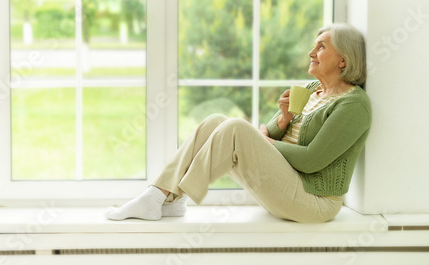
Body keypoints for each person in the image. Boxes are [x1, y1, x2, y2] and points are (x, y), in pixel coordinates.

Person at [105, 23, 371, 223]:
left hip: (314, 201)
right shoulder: (313, 89)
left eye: (321, 46)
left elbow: (312, 160)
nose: (311, 52)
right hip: (286, 183)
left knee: (235, 127)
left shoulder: (353, 105)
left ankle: (156, 198)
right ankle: (169, 197)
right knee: (215, 121)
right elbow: (268, 130)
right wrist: (283, 119)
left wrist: (264, 141)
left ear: (343, 59)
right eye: (314, 46)